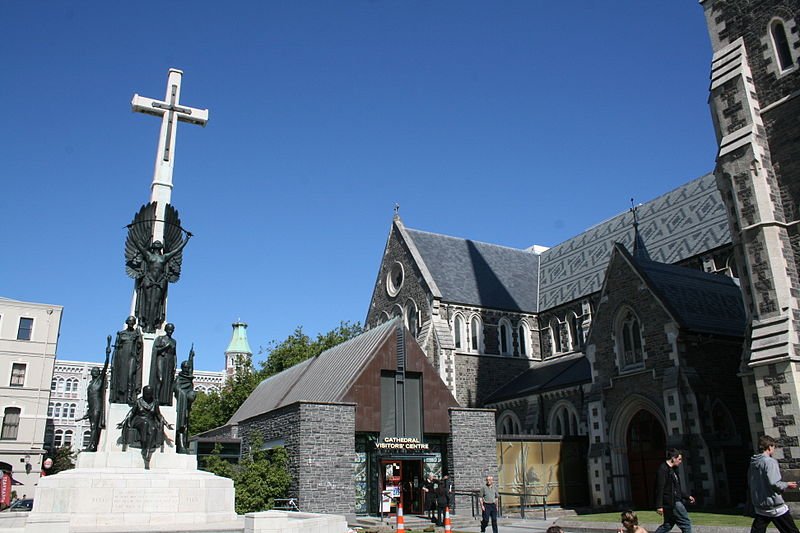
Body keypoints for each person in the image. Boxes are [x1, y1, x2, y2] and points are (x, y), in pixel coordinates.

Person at [129, 236, 191, 334]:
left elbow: (177, 250)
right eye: (156, 246)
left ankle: (152, 323)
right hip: (148, 280)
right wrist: (132, 231)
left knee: (157, 302)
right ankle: (145, 323)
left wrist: (186, 239)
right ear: (153, 248)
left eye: (159, 246)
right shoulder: (149, 255)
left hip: (159, 282)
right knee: (148, 300)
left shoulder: (164, 257)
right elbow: (138, 245)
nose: (157, 248)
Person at [747, 435, 800, 533]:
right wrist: (787, 485)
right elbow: (774, 483)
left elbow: (751, 482)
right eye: (773, 447)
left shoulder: (753, 462)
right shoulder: (770, 462)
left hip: (760, 505)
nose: (774, 450)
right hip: (774, 506)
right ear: (769, 446)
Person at [118, 385, 173, 469]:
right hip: (139, 420)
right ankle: (144, 445)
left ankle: (147, 450)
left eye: (150, 393)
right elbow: (131, 413)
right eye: (147, 393)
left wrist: (166, 423)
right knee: (145, 423)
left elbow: (158, 415)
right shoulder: (138, 401)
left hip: (150, 421)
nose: (148, 395)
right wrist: (123, 422)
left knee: (153, 428)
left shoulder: (155, 402)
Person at [654, 448, 695, 533]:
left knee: (668, 525)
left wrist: (687, 496)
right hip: (672, 502)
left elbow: (676, 488)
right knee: (686, 523)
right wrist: (659, 506)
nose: (680, 462)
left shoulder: (673, 470)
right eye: (679, 459)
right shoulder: (663, 469)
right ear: (673, 458)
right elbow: (659, 488)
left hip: (674, 500)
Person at [81, 336, 111, 451]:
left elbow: (105, 366)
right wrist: (88, 411)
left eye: (96, 371)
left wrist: (108, 352)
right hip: (92, 408)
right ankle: (93, 445)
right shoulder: (91, 383)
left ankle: (92, 446)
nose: (94, 372)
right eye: (93, 371)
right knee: (92, 426)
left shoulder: (99, 380)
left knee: (94, 427)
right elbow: (89, 400)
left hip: (97, 407)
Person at [109, 316, 143, 405]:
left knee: (131, 375)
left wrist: (139, 335)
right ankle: (121, 396)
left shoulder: (136, 334)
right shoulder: (121, 334)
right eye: (130, 322)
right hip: (122, 357)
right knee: (121, 377)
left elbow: (139, 346)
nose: (131, 323)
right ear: (127, 322)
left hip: (132, 357)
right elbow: (116, 348)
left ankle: (130, 396)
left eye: (133, 322)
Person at [172, 346, 196, 454]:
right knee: (182, 424)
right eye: (185, 368)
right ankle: (180, 444)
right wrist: (183, 394)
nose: (187, 369)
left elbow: (191, 367)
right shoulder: (179, 379)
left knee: (186, 424)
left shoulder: (189, 377)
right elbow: (176, 388)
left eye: (188, 368)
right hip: (181, 403)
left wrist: (191, 357)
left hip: (187, 404)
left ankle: (184, 444)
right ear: (182, 368)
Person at [150, 323, 177, 406]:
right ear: (165, 329)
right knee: (160, 378)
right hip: (161, 359)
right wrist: (165, 347)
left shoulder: (174, 341)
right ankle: (156, 398)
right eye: (169, 329)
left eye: (172, 330)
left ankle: (165, 401)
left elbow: (175, 354)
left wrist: (175, 364)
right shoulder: (160, 339)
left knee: (167, 381)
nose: (170, 331)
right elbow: (155, 350)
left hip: (170, 361)